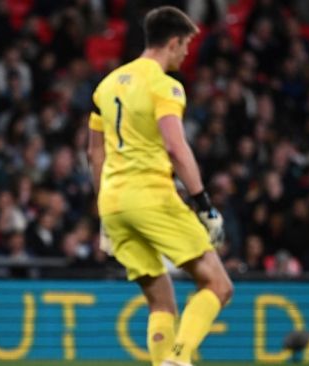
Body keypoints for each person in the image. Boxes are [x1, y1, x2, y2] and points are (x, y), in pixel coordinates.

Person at [87, 7, 233, 366]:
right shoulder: (165, 86)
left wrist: (105, 211)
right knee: (218, 285)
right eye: (185, 45)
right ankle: (179, 359)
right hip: (151, 197)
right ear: (172, 42)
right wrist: (203, 204)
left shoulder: (106, 85)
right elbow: (175, 146)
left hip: (115, 204)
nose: (187, 53)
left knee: (161, 300)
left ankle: (164, 361)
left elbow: (94, 153)